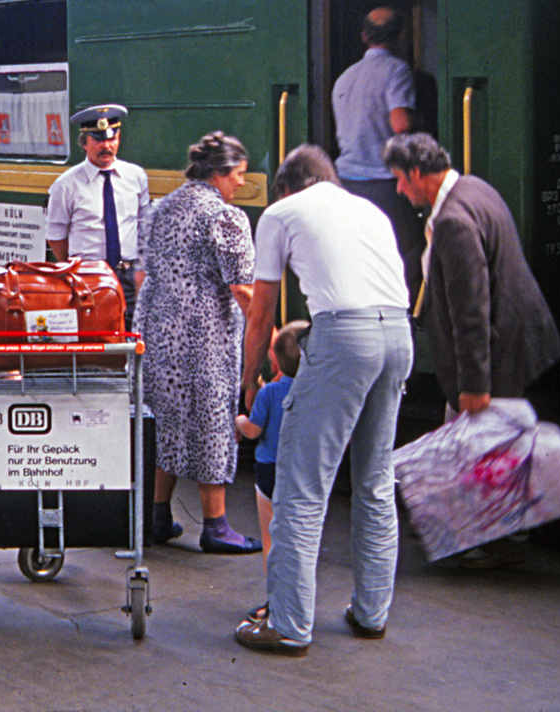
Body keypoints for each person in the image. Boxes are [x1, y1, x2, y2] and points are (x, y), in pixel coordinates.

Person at [234, 144, 410, 656]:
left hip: (342, 336)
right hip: (398, 335)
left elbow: (261, 312)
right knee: (376, 480)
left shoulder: (281, 212)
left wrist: (250, 380)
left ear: (288, 187)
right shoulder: (369, 209)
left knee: (301, 482)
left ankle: (288, 623)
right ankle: (371, 613)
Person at [383, 132, 560, 568]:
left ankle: (500, 543)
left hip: (497, 352)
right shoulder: (475, 188)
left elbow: (471, 311)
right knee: (472, 446)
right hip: (510, 341)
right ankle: (464, 525)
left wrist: (475, 385)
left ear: (417, 173)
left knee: (485, 451)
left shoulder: (454, 220)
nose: (398, 189)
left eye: (399, 180)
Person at [133, 131, 260, 553]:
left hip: (157, 332)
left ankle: (156, 517)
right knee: (211, 423)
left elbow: (141, 275)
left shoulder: (159, 209)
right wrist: (271, 336)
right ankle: (216, 526)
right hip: (205, 337)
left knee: (166, 420)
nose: (241, 184)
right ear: (220, 174)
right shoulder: (225, 217)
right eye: (238, 175)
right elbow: (243, 289)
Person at [332, 6, 424, 295]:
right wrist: (423, 121)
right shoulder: (397, 70)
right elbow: (400, 124)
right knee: (414, 250)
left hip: (346, 182)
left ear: (364, 36)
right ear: (399, 36)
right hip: (384, 184)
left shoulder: (345, 78)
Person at [45, 103, 152, 327]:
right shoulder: (65, 185)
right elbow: (56, 236)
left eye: (111, 139)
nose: (106, 146)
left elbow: (143, 227)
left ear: (119, 138)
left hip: (128, 274)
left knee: (133, 336)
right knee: (93, 338)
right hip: (88, 277)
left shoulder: (136, 177)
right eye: (98, 140)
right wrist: (77, 267)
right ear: (84, 143)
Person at [236, 320, 307, 574]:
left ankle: (274, 596)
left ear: (275, 362)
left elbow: (253, 431)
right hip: (302, 471)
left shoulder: (269, 394)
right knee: (300, 536)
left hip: (269, 471)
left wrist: (240, 421)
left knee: (270, 538)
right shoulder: (315, 393)